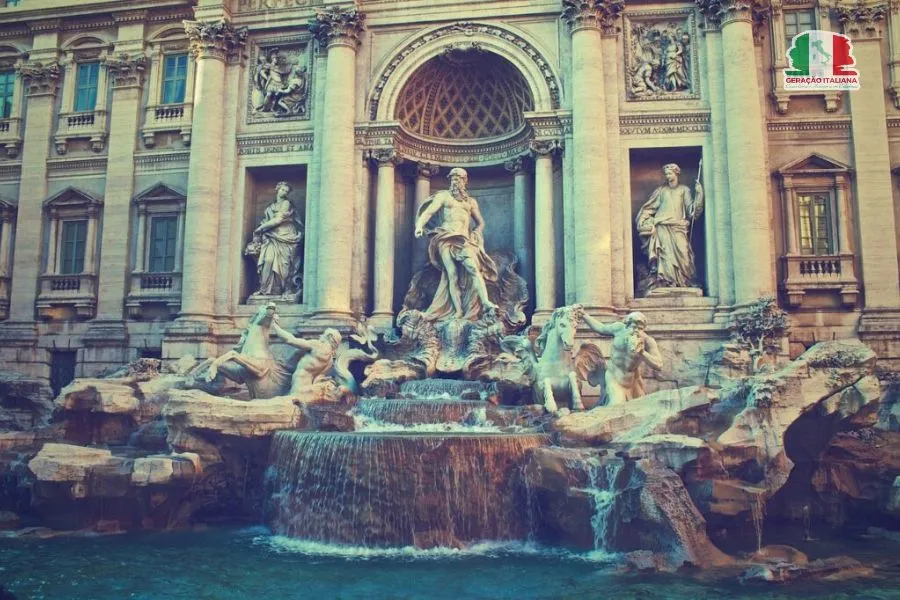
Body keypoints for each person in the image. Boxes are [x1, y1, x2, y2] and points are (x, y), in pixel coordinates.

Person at [413, 167, 499, 321]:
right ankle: (458, 311)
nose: (455, 181)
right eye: (453, 178)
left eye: (458, 178)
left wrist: (476, 233)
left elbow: (480, 223)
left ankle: (486, 302)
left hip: (463, 239)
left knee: (473, 268)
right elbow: (429, 212)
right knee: (451, 274)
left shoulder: (471, 202)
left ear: (465, 181)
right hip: (445, 237)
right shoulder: (444, 197)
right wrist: (420, 225)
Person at [635, 163, 703, 290]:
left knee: (684, 255)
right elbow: (648, 209)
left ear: (676, 173)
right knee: (665, 255)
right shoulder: (661, 191)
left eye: (670, 173)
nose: (667, 176)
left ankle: (684, 281)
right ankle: (666, 282)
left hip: (679, 227)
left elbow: (692, 212)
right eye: (666, 174)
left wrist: (699, 195)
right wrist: (645, 219)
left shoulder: (684, 190)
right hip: (662, 227)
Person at [580, 310, 663, 405]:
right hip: (614, 377)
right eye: (632, 326)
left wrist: (642, 352)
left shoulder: (648, 341)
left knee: (641, 408)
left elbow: (659, 364)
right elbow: (601, 328)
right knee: (616, 406)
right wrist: (584, 316)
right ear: (627, 324)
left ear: (643, 328)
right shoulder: (618, 328)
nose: (635, 330)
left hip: (633, 381)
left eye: (639, 328)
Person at [246, 181, 303, 297]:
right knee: (267, 261)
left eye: (286, 191)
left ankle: (283, 290)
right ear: (277, 189)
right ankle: (265, 290)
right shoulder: (270, 207)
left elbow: (278, 220)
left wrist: (260, 229)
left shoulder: (286, 203)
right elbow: (267, 220)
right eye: (282, 189)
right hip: (271, 237)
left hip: (286, 236)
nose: (284, 192)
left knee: (284, 266)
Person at [289, 329, 341, 393]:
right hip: (307, 388)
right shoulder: (330, 360)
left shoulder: (317, 345)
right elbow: (318, 378)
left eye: (323, 334)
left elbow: (290, 340)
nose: (320, 336)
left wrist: (275, 326)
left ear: (329, 336)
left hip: (298, 386)